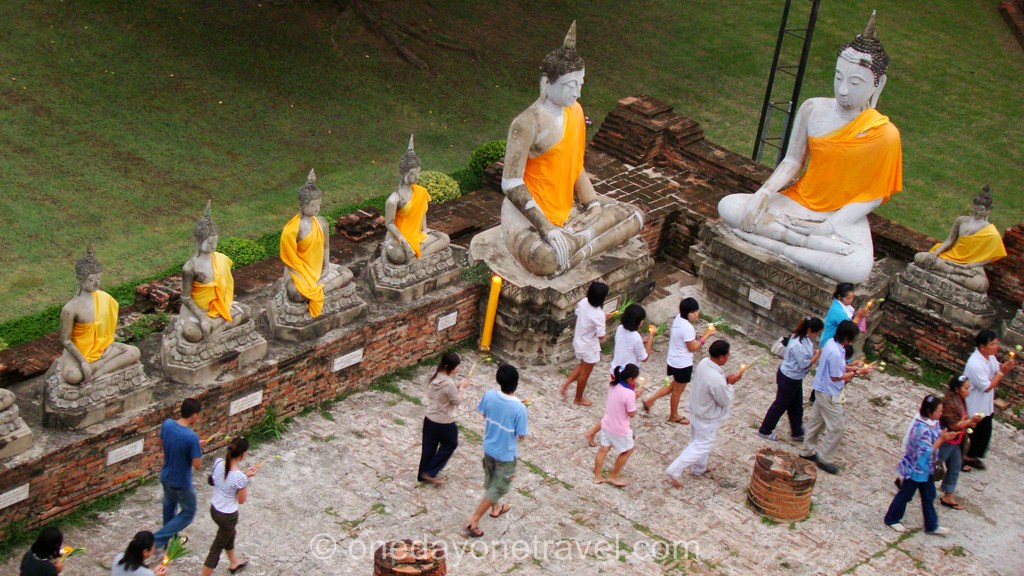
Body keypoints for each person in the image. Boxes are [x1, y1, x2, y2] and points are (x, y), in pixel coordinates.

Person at [717, 12, 901, 283]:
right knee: (729, 206)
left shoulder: (884, 134)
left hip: (840, 215)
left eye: (855, 82)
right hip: (799, 200)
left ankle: (776, 244)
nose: (843, 89)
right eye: (839, 77)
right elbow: (792, 161)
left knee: (857, 269)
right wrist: (764, 192)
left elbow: (872, 196)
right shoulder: (813, 108)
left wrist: (830, 226)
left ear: (878, 84)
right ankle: (798, 244)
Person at [499, 21, 643, 277]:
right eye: (569, 85)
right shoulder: (526, 123)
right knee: (545, 260)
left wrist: (592, 204)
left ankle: (577, 244)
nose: (576, 93)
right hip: (529, 215)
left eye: (581, 84)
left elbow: (574, 166)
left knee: (635, 215)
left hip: (567, 207)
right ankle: (576, 244)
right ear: (546, 83)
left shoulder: (575, 112)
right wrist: (547, 229)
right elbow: (511, 184)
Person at [58, 243, 141, 384]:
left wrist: (109, 345)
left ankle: (98, 373)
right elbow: (65, 340)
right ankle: (92, 368)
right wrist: (83, 362)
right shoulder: (70, 308)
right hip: (78, 352)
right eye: (91, 280)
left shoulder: (104, 298)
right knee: (73, 376)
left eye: (98, 279)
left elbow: (107, 332)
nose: (96, 284)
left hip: (103, 348)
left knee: (134, 352)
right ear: (80, 279)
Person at [665, 340, 743, 485]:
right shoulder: (716, 379)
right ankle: (675, 469)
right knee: (702, 445)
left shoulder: (704, 363)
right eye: (727, 355)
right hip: (707, 416)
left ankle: (699, 468)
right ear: (721, 357)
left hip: (697, 409)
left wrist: (725, 380)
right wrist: (730, 384)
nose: (728, 357)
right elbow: (724, 400)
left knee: (697, 440)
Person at [799, 320, 871, 474]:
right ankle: (824, 458)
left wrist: (852, 367)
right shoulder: (836, 352)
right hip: (829, 392)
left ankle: (807, 450)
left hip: (821, 388)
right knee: (837, 427)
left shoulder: (832, 344)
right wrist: (858, 373)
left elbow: (838, 366)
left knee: (816, 422)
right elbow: (836, 376)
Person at [464, 365, 528, 538]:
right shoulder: (520, 409)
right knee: (499, 487)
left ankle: (496, 508)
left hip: (489, 447)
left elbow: (486, 415)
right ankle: (475, 519)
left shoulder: (489, 395)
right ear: (516, 383)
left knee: (491, 477)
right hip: (505, 454)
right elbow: (521, 436)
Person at [279, 168, 353, 317]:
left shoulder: (322, 223)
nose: (317, 208)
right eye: (313, 205)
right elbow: (289, 261)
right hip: (298, 271)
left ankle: (316, 289)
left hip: (319, 269)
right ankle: (319, 289)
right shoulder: (292, 230)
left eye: (319, 204)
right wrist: (303, 276)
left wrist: (325, 267)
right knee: (296, 294)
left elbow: (325, 247)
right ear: (303, 205)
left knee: (348, 274)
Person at [884, 395, 959, 535]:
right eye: (938, 411)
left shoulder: (933, 422)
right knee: (906, 494)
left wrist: (944, 437)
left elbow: (935, 438)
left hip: (927, 468)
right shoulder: (920, 427)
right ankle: (892, 518)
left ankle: (931, 525)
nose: (940, 414)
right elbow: (925, 451)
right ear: (930, 411)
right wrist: (942, 439)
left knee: (929, 495)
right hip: (916, 468)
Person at [179, 200, 251, 343]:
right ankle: (215, 331)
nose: (214, 245)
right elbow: (185, 297)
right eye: (210, 241)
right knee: (192, 334)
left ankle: (212, 330)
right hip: (197, 310)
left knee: (246, 311)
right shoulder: (190, 267)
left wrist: (210, 321)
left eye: (215, 240)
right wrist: (202, 317)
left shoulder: (220, 259)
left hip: (217, 308)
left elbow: (225, 288)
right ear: (199, 241)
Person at [913, 185, 1007, 293]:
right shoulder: (961, 220)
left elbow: (990, 257)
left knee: (981, 285)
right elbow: (950, 240)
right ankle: (952, 274)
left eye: (981, 210)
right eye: (975, 208)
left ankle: (945, 273)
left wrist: (971, 265)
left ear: (988, 211)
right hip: (951, 257)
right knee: (920, 258)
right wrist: (935, 253)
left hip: (970, 265)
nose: (977, 212)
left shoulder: (991, 232)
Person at [584, 304, 653, 447]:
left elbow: (628, 346)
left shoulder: (621, 329)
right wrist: (651, 338)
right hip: (627, 377)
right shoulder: (636, 337)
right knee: (620, 410)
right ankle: (594, 432)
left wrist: (642, 342)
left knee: (616, 408)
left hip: (615, 372)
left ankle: (618, 430)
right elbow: (644, 357)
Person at [383, 135, 452, 265]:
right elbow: (389, 224)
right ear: (405, 174)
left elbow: (422, 212)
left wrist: (424, 231)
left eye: (418, 172)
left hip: (417, 234)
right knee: (398, 257)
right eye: (413, 173)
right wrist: (403, 241)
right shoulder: (393, 199)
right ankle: (417, 253)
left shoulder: (420, 191)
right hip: (398, 237)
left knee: (445, 238)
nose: (417, 177)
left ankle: (416, 254)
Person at [757, 316, 823, 442]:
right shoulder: (797, 343)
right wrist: (817, 356)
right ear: (809, 330)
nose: (817, 335)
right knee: (780, 405)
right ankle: (765, 430)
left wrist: (814, 352)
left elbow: (807, 352)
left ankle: (797, 432)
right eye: (816, 332)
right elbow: (804, 364)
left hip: (795, 378)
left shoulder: (803, 339)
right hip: (789, 378)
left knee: (796, 406)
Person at [643, 298, 708, 424]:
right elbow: (693, 348)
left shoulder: (679, 319)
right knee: (678, 391)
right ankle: (673, 415)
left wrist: (696, 338)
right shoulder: (688, 328)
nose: (695, 314)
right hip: (682, 364)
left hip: (673, 360)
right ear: (686, 312)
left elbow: (685, 338)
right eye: (692, 312)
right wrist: (706, 336)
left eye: (696, 311)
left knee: (673, 385)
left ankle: (650, 400)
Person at [201, 437, 257, 576]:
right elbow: (242, 500)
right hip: (228, 516)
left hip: (214, 509)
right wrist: (245, 480)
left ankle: (234, 562)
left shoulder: (218, 463)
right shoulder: (240, 478)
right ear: (243, 454)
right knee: (216, 549)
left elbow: (217, 481)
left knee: (230, 534)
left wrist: (244, 476)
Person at [154, 398, 203, 550]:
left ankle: (168, 542)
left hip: (166, 475)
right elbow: (197, 466)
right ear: (194, 415)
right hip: (181, 482)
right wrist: (197, 450)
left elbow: (160, 443)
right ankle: (156, 540)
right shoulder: (191, 437)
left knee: (169, 511)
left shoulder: (168, 424)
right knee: (188, 512)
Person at [962, 329, 1015, 470]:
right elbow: (987, 386)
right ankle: (961, 458)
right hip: (973, 405)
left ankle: (971, 456)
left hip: (985, 405)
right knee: (968, 432)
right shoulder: (975, 364)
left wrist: (1004, 368)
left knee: (983, 433)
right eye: (992, 344)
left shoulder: (990, 357)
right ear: (982, 346)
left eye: (997, 344)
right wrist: (1002, 372)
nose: (996, 347)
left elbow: (997, 369)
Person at [418, 352, 470, 485]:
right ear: (451, 368)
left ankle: (423, 473)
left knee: (429, 447)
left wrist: (458, 385)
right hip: (443, 421)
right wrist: (462, 388)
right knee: (451, 444)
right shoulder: (449, 385)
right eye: (457, 367)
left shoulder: (436, 376)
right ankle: (430, 472)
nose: (458, 369)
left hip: (429, 418)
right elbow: (457, 401)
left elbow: (445, 391)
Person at [560, 281, 610, 406]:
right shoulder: (598, 314)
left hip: (579, 341)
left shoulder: (583, 302)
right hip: (589, 346)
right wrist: (604, 320)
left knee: (582, 365)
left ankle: (566, 385)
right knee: (585, 374)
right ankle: (578, 398)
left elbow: (579, 314)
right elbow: (601, 336)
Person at [936, 375, 982, 509]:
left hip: (956, 441)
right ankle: (906, 480)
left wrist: (969, 423)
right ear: (957, 389)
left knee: (955, 466)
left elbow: (963, 419)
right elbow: (954, 425)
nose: (968, 391)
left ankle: (948, 495)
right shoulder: (950, 402)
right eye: (966, 388)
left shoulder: (961, 400)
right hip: (946, 440)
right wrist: (970, 421)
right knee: (931, 464)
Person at [593, 364, 642, 487]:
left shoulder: (613, 385)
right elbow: (631, 414)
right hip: (619, 428)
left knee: (603, 449)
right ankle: (614, 476)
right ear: (631, 379)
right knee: (628, 450)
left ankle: (597, 476)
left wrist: (632, 397)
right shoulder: (629, 394)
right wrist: (634, 399)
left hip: (607, 423)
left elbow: (619, 400)